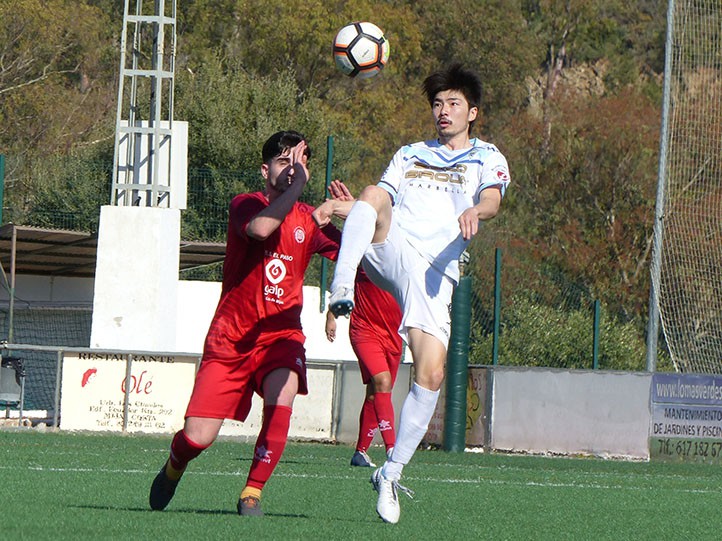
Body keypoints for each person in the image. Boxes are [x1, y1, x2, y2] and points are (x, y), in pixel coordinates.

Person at [314, 64, 511, 524]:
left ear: (473, 112)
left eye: (453, 103)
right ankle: (341, 287)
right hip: (395, 251)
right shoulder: (410, 153)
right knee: (371, 193)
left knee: (433, 373)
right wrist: (344, 207)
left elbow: (494, 199)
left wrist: (476, 212)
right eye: (438, 104)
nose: (443, 111)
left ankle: (391, 472)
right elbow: (377, 203)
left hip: (435, 274)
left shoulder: (487, 156)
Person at [148, 130, 341, 517]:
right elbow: (261, 229)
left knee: (283, 388)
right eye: (283, 162)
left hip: (280, 335)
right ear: (264, 169)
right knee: (197, 438)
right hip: (231, 339)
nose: (291, 170)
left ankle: (252, 490)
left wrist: (362, 216)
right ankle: (174, 463)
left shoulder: (310, 221)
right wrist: (301, 184)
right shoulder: (246, 204)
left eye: (297, 163)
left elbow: (362, 258)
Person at [325, 265, 403, 468]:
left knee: (375, 394)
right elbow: (343, 274)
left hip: (394, 336)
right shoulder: (363, 252)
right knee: (382, 381)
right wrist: (331, 315)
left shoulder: (402, 253)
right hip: (365, 330)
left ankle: (360, 452)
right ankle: (392, 449)